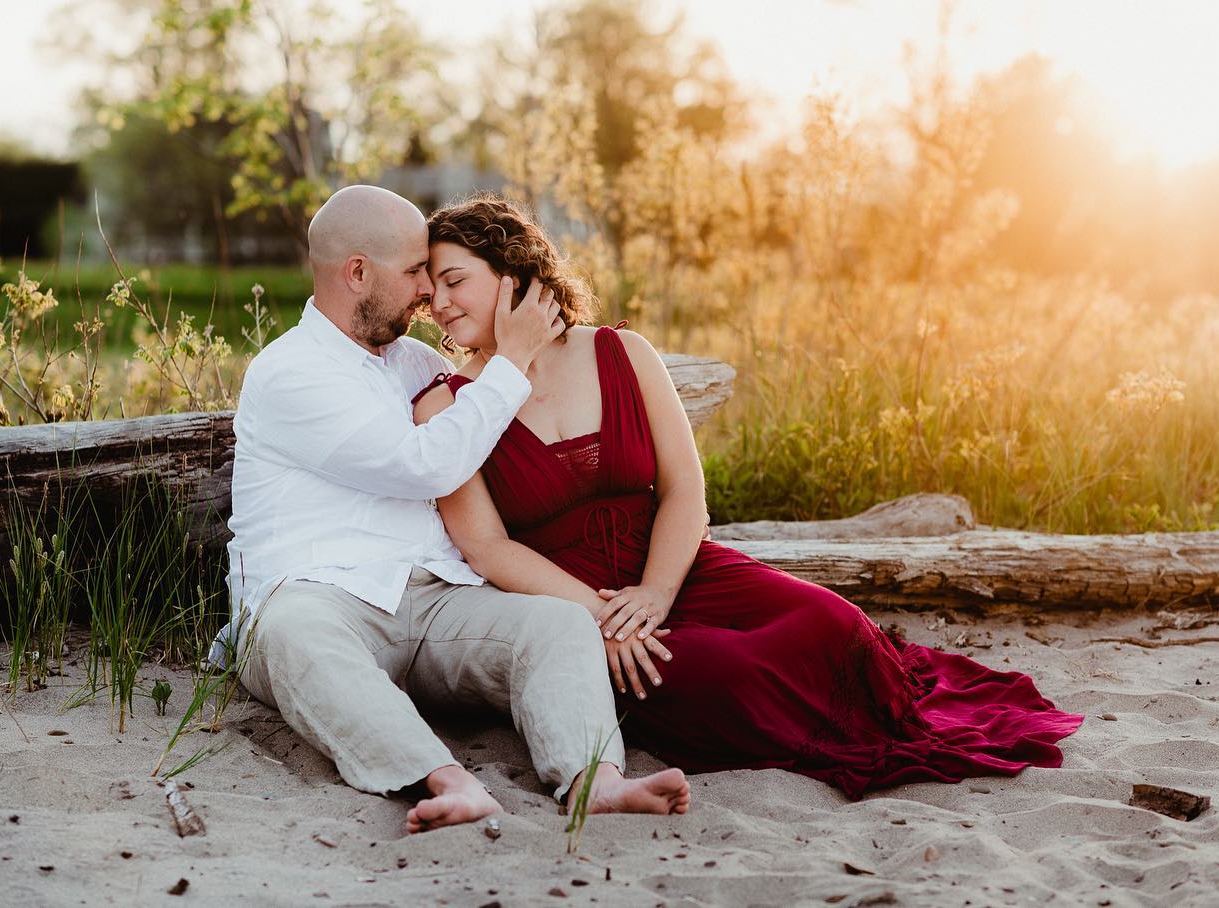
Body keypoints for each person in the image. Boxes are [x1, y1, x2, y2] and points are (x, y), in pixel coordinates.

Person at [412, 194, 1084, 800]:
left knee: (837, 624)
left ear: (511, 273)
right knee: (729, 675)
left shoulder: (622, 352)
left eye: (454, 281)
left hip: (674, 569)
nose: (439, 304)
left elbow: (684, 491)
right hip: (575, 606)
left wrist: (656, 593)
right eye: (431, 290)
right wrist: (604, 619)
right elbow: (486, 545)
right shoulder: (448, 404)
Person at [223, 185, 690, 834]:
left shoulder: (416, 363)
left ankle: (596, 780)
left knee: (555, 624)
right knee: (293, 636)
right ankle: (446, 780)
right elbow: (426, 463)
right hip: (318, 593)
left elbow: (482, 419)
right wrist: (515, 360)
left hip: (439, 596)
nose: (428, 295)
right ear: (357, 272)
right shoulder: (288, 373)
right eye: (415, 272)